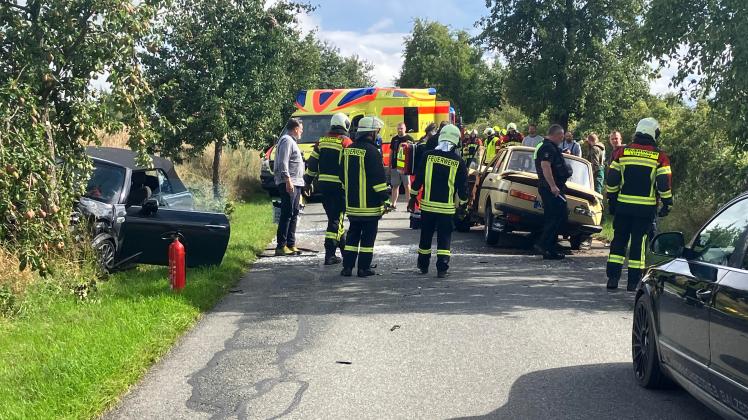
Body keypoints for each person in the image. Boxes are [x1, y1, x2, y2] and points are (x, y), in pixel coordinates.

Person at [605, 118, 673, 291]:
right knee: (638, 244)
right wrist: (667, 203)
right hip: (645, 209)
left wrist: (612, 200)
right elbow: (664, 183)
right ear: (653, 133)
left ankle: (613, 279)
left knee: (619, 240)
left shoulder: (622, 152)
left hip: (623, 206)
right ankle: (632, 282)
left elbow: (612, 179)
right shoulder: (659, 156)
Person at [408, 124, 468, 278]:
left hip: (427, 206)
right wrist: (463, 206)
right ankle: (442, 268)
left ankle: (423, 265)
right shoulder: (459, 162)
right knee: (444, 239)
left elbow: (418, 179)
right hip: (446, 209)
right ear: (456, 141)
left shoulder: (428, 156)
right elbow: (463, 188)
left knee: (425, 236)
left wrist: (412, 198)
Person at [340, 116, 390, 277]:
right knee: (368, 239)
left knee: (352, 237)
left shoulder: (348, 150)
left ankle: (347, 267)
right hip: (369, 207)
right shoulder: (372, 152)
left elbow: (342, 175)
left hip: (353, 206)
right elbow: (378, 181)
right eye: (377, 132)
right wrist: (386, 199)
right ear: (372, 133)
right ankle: (363, 268)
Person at [303, 113, 352, 265]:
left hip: (323, 186)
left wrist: (307, 182)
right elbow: (350, 167)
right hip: (340, 186)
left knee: (334, 218)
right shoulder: (346, 142)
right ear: (344, 124)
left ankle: (345, 252)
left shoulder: (321, 141)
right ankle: (330, 254)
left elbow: (312, 165)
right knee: (337, 219)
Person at [534, 124, 573, 260]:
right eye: (561, 136)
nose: (562, 139)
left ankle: (549, 249)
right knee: (557, 216)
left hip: (553, 187)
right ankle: (544, 244)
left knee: (556, 217)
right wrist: (553, 186)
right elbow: (545, 166)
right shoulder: (547, 147)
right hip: (550, 188)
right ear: (556, 135)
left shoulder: (550, 147)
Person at [274, 118, 305, 256]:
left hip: (296, 182)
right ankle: (281, 245)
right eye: (301, 129)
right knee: (287, 213)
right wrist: (287, 180)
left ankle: (291, 244)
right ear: (296, 128)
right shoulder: (286, 140)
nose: (302, 132)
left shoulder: (292, 141)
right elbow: (282, 162)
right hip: (289, 182)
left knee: (294, 213)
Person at [389, 122, 414, 208]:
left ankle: (409, 204)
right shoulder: (394, 139)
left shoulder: (409, 138)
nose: (399, 130)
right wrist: (389, 165)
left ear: (405, 129)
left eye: (401, 128)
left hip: (405, 167)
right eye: (398, 128)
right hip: (395, 166)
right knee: (395, 186)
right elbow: (391, 152)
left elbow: (413, 152)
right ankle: (393, 204)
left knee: (407, 186)